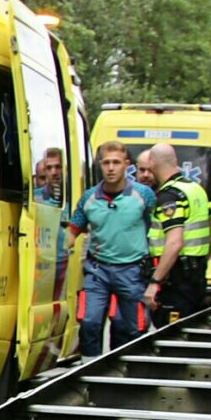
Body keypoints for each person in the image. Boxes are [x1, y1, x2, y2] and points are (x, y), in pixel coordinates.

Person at [66, 141, 157, 354]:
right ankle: (89, 371)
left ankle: (133, 374)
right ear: (100, 164)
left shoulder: (144, 195)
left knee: (134, 328)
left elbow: (158, 227)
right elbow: (71, 233)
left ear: (127, 165)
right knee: (89, 323)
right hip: (98, 271)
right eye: (106, 162)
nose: (110, 168)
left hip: (133, 270)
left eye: (116, 162)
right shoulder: (89, 198)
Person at [137, 142, 211, 323]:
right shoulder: (195, 189)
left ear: (153, 163)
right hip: (196, 274)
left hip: (176, 278)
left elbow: (174, 242)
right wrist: (200, 257)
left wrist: (155, 282)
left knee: (169, 333)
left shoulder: (169, 196)